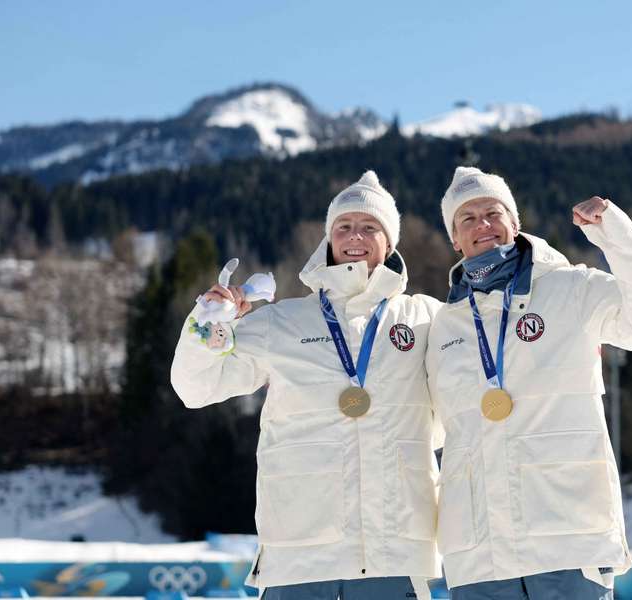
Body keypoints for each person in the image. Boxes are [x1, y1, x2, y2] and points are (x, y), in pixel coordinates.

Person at [171, 171, 442, 600]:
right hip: (298, 553)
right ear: (329, 240)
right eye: (344, 226)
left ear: (390, 242)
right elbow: (195, 388)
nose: (355, 236)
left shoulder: (425, 318)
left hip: (395, 552)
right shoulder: (283, 322)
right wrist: (208, 324)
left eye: (370, 226)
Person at [425, 167, 632, 599]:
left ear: (514, 223)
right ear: (455, 239)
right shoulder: (443, 326)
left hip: (567, 540)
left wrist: (615, 234)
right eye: (467, 218)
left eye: (493, 213)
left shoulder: (571, 289)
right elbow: (425, 427)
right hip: (478, 556)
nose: (482, 225)